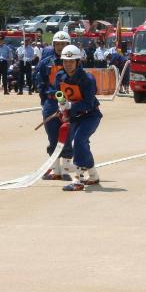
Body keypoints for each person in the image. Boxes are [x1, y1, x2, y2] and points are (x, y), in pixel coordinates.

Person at [55, 44, 102, 191]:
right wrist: (61, 106)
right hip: (75, 117)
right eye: (65, 61)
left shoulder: (87, 78)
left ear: (78, 62)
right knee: (83, 145)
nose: (68, 64)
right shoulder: (59, 76)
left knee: (79, 141)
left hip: (90, 116)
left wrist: (70, 106)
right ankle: (93, 175)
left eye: (71, 61)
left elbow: (88, 102)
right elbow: (60, 94)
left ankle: (78, 180)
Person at [36, 31, 74, 181]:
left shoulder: (75, 62)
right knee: (52, 137)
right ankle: (55, 169)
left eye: (63, 44)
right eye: (57, 44)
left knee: (67, 135)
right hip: (51, 103)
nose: (60, 47)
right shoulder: (46, 63)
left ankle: (65, 170)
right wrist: (44, 103)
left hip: (68, 103)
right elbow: (40, 83)